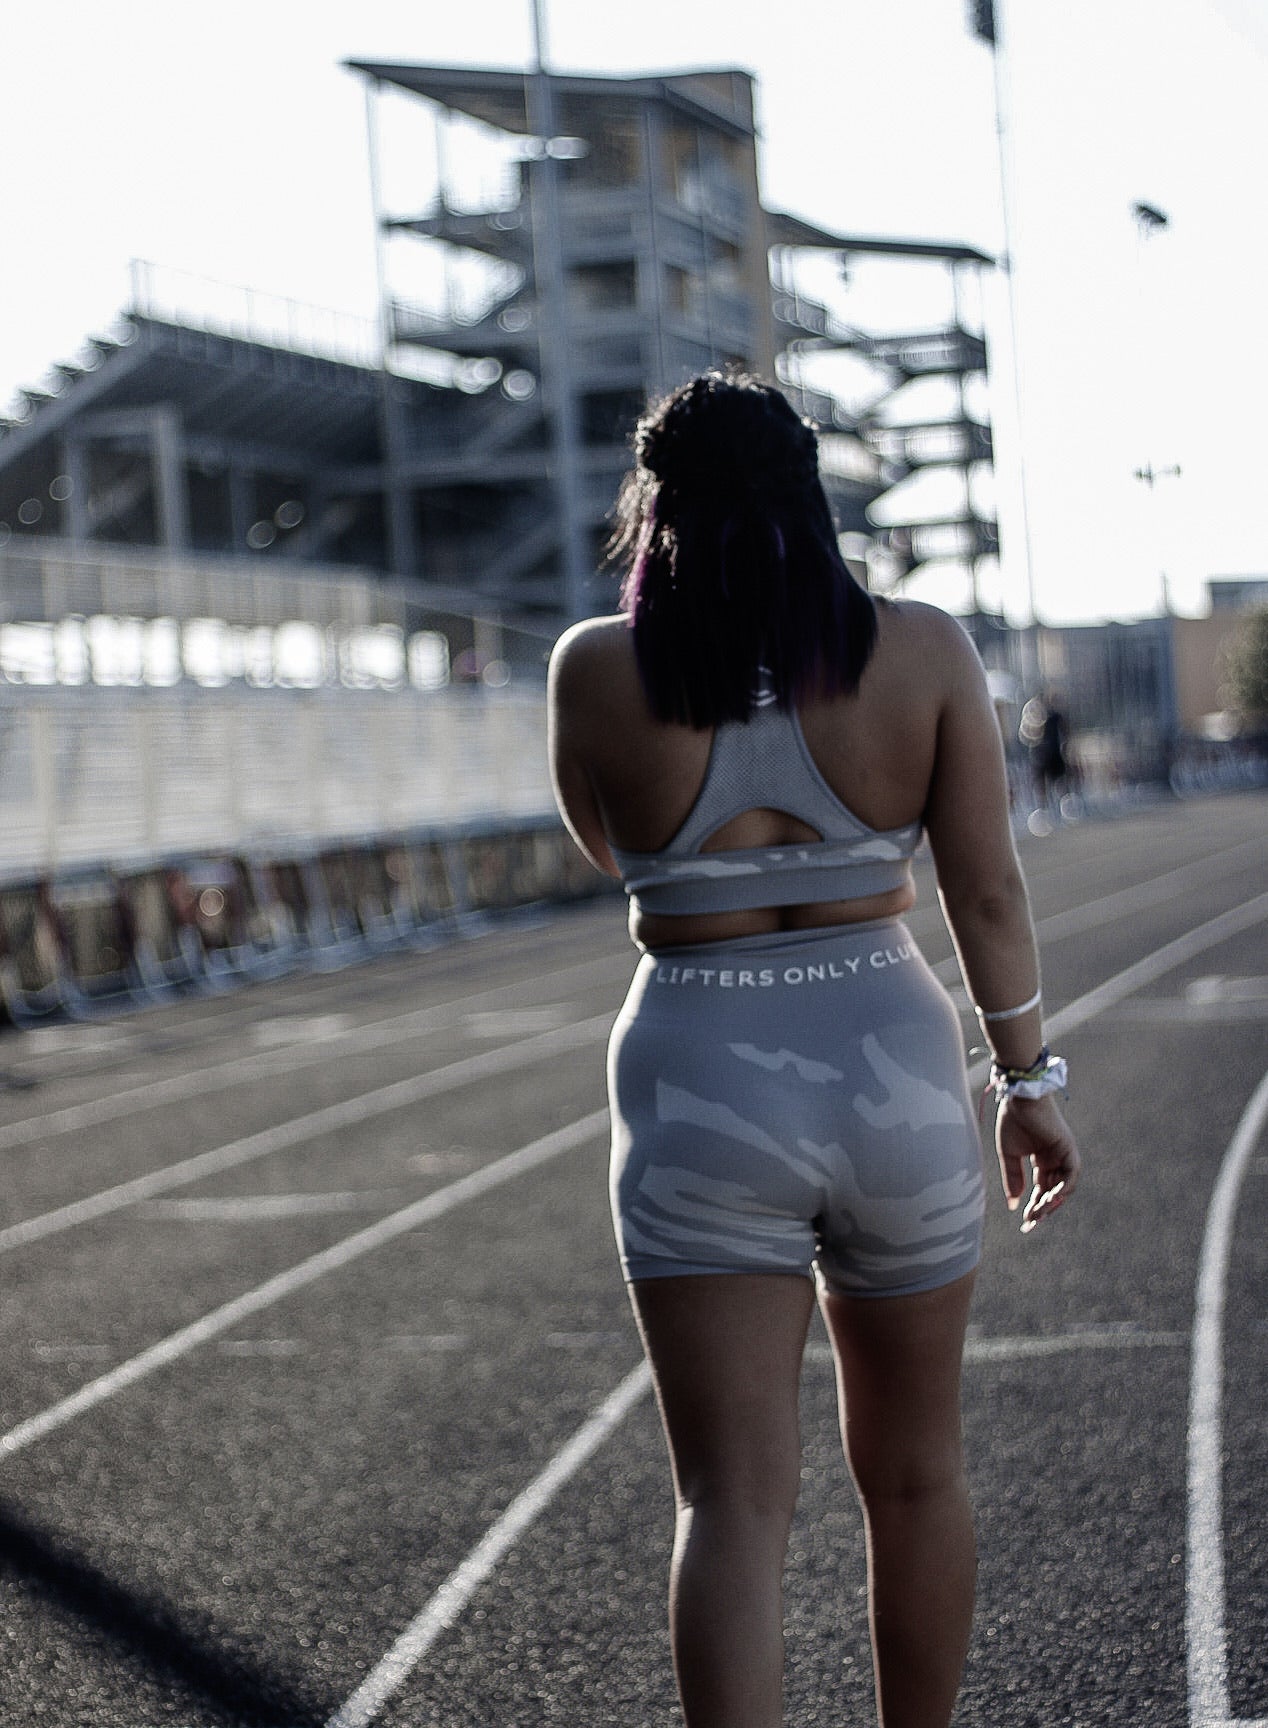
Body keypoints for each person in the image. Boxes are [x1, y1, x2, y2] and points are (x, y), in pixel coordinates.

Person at [548, 372, 1080, 1728]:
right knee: (917, 1473)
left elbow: (610, 849)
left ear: (653, 506)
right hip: (892, 1064)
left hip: (696, 1068)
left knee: (726, 1501)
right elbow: (991, 895)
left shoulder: (595, 671)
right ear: (810, 495)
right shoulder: (925, 650)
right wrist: (1028, 1083)